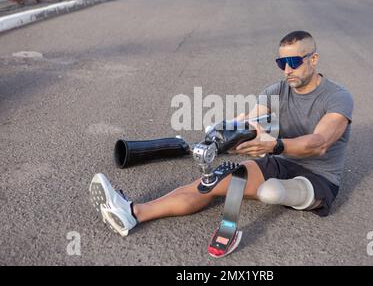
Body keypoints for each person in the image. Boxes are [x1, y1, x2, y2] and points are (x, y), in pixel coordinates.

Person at [89, 31, 353, 237]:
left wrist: (274, 145)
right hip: (278, 163)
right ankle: (133, 212)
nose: (287, 70)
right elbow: (248, 120)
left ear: (314, 59)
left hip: (319, 178)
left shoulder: (338, 97)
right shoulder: (277, 90)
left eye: (294, 62)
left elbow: (319, 144)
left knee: (271, 192)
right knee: (209, 183)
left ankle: (283, 193)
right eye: (281, 62)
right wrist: (225, 133)